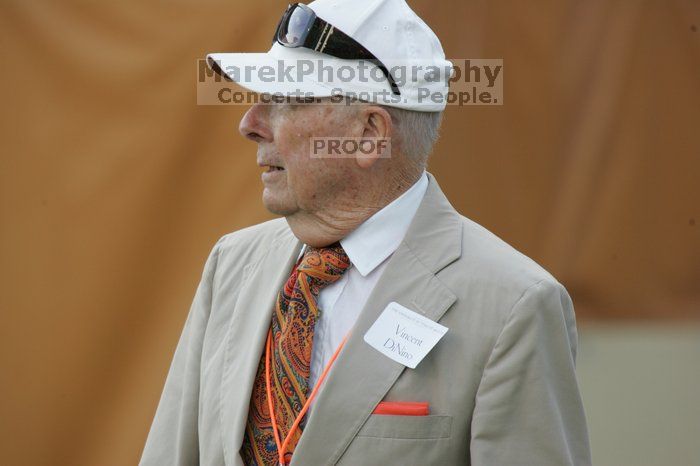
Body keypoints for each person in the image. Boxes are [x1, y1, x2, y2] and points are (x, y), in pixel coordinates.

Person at [140, 0, 591, 465]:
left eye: (284, 100)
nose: (249, 124)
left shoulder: (513, 304)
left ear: (369, 133)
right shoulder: (232, 264)